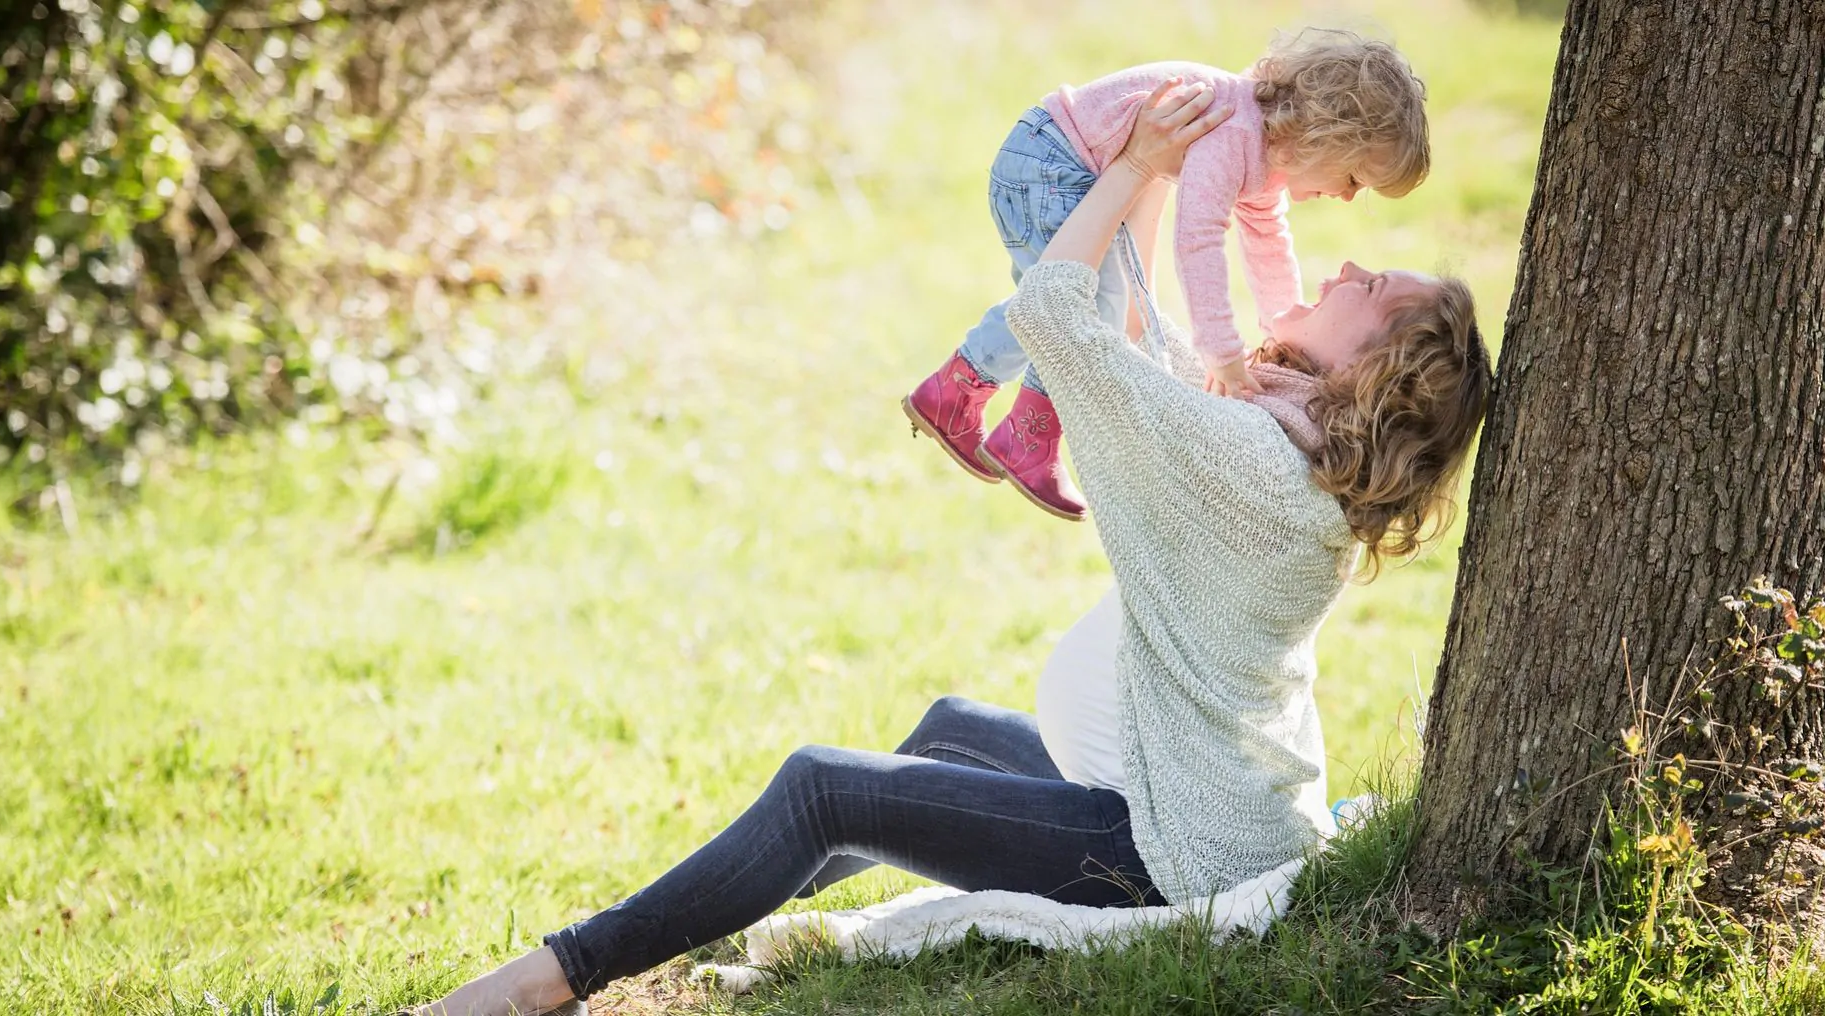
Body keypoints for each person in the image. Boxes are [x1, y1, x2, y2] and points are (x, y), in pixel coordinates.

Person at [410, 80, 1490, 1016]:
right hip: (1189, 810)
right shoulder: (1276, 445)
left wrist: (1125, 170)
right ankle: (694, 913)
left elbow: (1058, 318)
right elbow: (1136, 344)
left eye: (1375, 292)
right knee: (948, 734)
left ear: (1376, 373)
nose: (1348, 263)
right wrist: (1160, 170)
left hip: (1163, 861)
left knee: (824, 788)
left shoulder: (1250, 467)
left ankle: (552, 975)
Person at [902, 28, 1430, 521]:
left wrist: (1280, 330)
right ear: (1324, 135)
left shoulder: (1266, 154)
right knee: (1077, 304)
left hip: (1058, 163)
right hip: (1049, 165)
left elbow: (1268, 245)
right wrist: (1221, 351)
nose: (1344, 196)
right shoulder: (1236, 132)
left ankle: (957, 393)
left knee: (1076, 300)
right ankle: (1025, 434)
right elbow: (1197, 239)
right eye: (1354, 178)